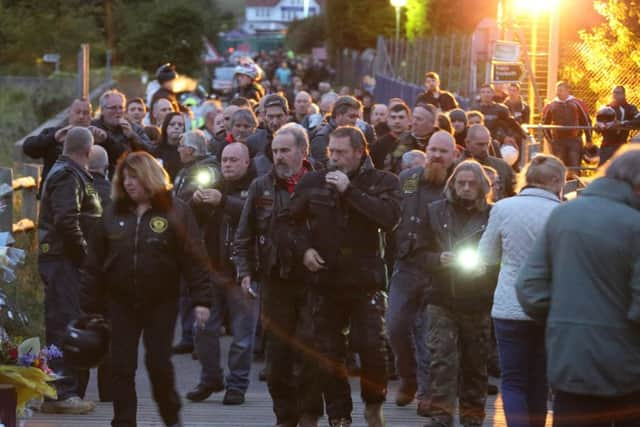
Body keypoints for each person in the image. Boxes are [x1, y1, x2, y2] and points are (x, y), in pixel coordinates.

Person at [82, 151, 213, 427]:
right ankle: (124, 421)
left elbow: (194, 258)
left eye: (135, 177)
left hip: (161, 303)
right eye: (125, 178)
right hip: (120, 302)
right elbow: (94, 262)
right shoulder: (111, 212)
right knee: (121, 366)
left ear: (149, 177)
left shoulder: (176, 210)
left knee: (158, 364)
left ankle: (171, 417)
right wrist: (90, 306)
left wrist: (203, 300)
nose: (129, 183)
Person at [515, 146, 640, 427]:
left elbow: (528, 287)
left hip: (570, 361)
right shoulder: (635, 225)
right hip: (629, 371)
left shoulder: (563, 215)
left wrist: (564, 320)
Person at [290, 126, 401, 427]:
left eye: (341, 153)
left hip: (365, 281)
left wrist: (349, 191)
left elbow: (389, 218)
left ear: (359, 152)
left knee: (372, 347)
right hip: (325, 280)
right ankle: (339, 415)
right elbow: (289, 222)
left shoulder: (383, 181)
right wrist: (304, 250)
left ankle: (374, 404)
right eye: (331, 153)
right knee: (328, 352)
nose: (335, 159)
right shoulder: (313, 181)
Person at [234, 123, 321, 427]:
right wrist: (245, 272)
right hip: (275, 281)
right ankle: (285, 417)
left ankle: (309, 415)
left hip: (315, 282)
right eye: (275, 151)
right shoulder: (261, 186)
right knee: (278, 357)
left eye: (286, 150)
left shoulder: (321, 183)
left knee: (310, 351)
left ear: (303, 151)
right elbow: (244, 234)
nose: (279, 157)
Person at [478, 154, 566, 427]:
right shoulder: (563, 212)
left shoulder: (503, 208)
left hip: (509, 305)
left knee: (513, 380)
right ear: (555, 181)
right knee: (539, 378)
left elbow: (485, 257)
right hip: (549, 306)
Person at [420, 160, 498, 427]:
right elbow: (414, 253)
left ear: (482, 186)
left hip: (478, 299)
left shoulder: (493, 215)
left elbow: (503, 256)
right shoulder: (434, 212)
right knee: (441, 361)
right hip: (442, 296)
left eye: (472, 183)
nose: (466, 188)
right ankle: (441, 417)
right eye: (461, 183)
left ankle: (472, 419)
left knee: (476, 366)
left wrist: (486, 270)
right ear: (452, 184)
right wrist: (439, 258)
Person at [387, 131, 457, 412]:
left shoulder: (457, 184)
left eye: (443, 151)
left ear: (454, 154)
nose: (437, 155)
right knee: (394, 327)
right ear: (425, 150)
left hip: (440, 269)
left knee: (431, 336)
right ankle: (408, 378)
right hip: (406, 265)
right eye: (433, 149)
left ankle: (427, 393)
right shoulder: (408, 179)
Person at [187, 142, 259, 406]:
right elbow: (185, 218)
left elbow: (258, 214)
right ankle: (210, 379)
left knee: (242, 336)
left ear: (246, 162)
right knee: (202, 328)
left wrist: (224, 202)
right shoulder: (214, 184)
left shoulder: (258, 186)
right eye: (224, 160)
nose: (227, 164)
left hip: (244, 272)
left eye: (233, 160)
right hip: (212, 270)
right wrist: (194, 201)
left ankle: (237, 386)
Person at [38, 127, 101, 414]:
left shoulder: (64, 171)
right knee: (63, 324)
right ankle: (60, 392)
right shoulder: (67, 175)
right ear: (88, 152)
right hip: (63, 259)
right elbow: (67, 220)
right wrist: (85, 255)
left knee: (63, 321)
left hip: (62, 258)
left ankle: (58, 389)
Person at [171, 130, 221, 355]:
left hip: (201, 237)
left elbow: (197, 202)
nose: (178, 149)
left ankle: (202, 340)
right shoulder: (184, 171)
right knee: (184, 289)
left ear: (190, 150)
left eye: (181, 145)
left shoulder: (208, 170)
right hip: (183, 237)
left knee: (200, 289)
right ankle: (188, 336)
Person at [23, 98, 105, 196]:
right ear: (69, 112)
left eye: (86, 113)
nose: (81, 116)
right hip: (54, 194)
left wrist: (106, 141)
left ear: (91, 116)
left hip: (88, 194)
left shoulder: (98, 136)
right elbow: (28, 148)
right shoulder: (55, 133)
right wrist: (53, 138)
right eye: (78, 112)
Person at [93, 89, 151, 176]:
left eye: (121, 107)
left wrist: (132, 136)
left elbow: (150, 152)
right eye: (113, 108)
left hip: (128, 177)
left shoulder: (133, 127)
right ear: (102, 110)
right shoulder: (94, 127)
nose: (118, 111)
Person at [541, 81, 592, 173]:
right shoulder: (551, 105)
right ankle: (561, 186)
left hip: (574, 140)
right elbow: (545, 123)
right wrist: (550, 140)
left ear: (567, 91)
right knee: (559, 167)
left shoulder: (577, 103)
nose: (558, 93)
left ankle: (575, 186)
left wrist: (589, 139)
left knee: (574, 166)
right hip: (558, 141)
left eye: (561, 90)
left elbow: (586, 121)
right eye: (557, 90)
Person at [462, 124, 516, 200]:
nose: (485, 148)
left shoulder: (502, 166)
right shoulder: (455, 167)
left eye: (487, 144)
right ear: (467, 143)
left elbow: (512, 195)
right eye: (480, 144)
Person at [311, 96, 364, 169]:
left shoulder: (356, 135)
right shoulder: (321, 138)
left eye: (357, 117)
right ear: (338, 115)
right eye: (351, 117)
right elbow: (325, 170)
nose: (355, 121)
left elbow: (367, 167)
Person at [595, 85, 640, 165]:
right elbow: (597, 128)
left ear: (624, 95)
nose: (615, 94)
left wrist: (622, 123)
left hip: (621, 145)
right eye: (614, 92)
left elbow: (638, 120)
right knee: (601, 169)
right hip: (606, 145)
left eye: (618, 93)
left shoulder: (629, 108)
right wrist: (598, 126)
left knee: (621, 170)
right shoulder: (606, 108)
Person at [390, 104, 439, 174]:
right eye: (414, 118)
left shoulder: (440, 141)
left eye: (419, 119)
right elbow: (393, 163)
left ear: (432, 123)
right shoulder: (402, 139)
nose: (414, 122)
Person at [370, 102, 412, 171]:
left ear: (409, 120)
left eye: (401, 117)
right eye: (393, 117)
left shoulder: (414, 141)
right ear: (388, 120)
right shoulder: (378, 144)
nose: (397, 121)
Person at [154, 112, 185, 180]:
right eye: (172, 124)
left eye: (180, 125)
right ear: (165, 127)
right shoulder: (156, 151)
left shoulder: (187, 151)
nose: (176, 127)